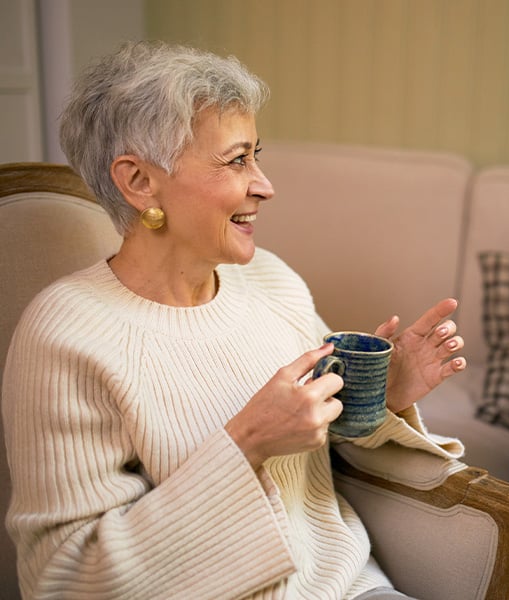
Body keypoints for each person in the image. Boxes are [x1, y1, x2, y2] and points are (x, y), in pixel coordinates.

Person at [2, 41, 467, 600]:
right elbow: (64, 580)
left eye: (257, 155)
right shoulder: (65, 334)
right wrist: (246, 442)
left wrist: (384, 396)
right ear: (140, 182)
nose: (265, 185)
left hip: (348, 587)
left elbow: (321, 443)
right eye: (237, 159)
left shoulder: (271, 279)